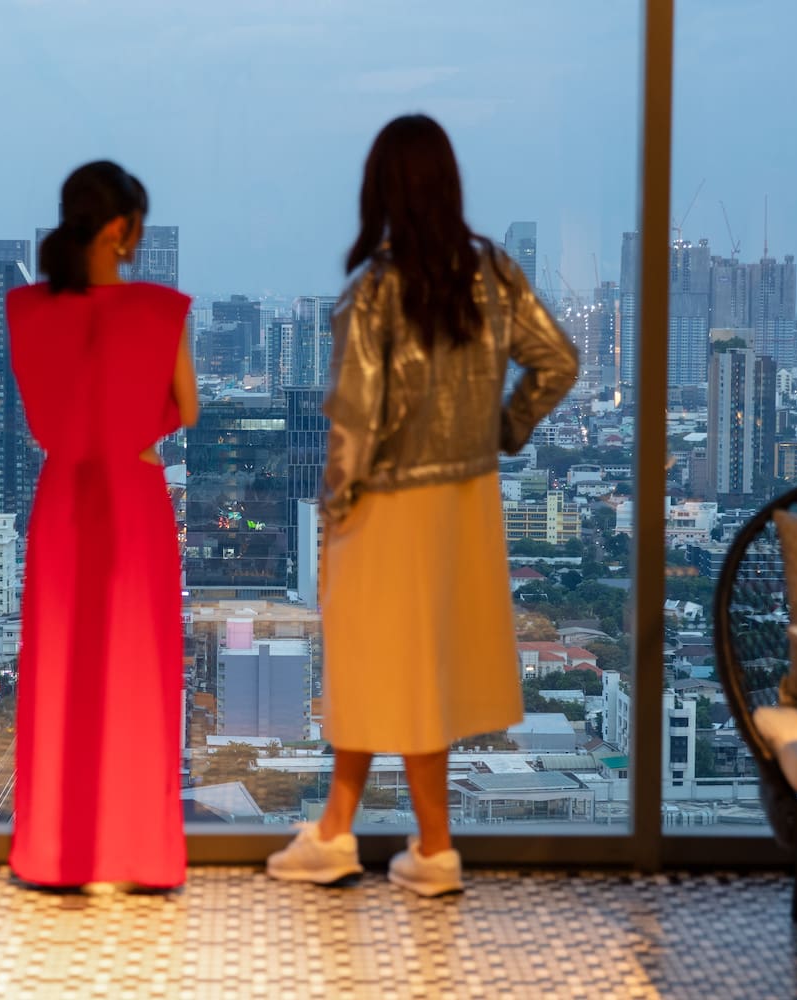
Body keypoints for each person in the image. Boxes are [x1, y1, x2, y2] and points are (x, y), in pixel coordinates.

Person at [266, 115, 578, 896]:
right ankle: (420, 844)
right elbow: (559, 362)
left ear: (380, 190)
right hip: (466, 503)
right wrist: (504, 428)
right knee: (422, 669)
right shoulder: (494, 273)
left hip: (387, 509)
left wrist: (333, 511)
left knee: (378, 667)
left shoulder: (373, 292)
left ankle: (356, 837)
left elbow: (355, 425)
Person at [5, 160, 198, 890]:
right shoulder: (160, 312)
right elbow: (189, 405)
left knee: (62, 675)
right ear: (120, 228)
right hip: (135, 494)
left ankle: (58, 853)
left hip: (62, 499)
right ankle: (139, 856)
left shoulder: (28, 310)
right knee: (139, 673)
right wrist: (141, 427)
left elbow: (41, 418)